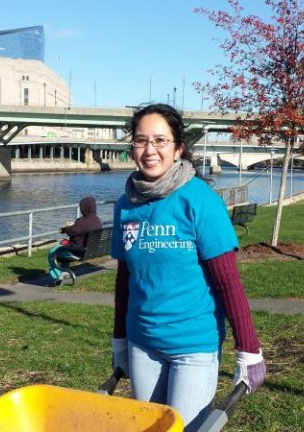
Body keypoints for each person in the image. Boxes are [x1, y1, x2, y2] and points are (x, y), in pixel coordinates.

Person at [110, 104, 266, 431]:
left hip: (193, 346)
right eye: (141, 141)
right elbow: (125, 279)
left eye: (160, 140)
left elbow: (228, 283)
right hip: (142, 343)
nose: (149, 150)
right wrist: (120, 340)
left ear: (178, 148)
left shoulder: (200, 200)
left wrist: (248, 350)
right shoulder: (126, 204)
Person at [47, 196, 102, 283]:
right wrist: (73, 225)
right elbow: (80, 229)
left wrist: (65, 228)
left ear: (84, 208)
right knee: (64, 248)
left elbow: (72, 231)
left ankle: (57, 276)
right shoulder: (97, 220)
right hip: (92, 250)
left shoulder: (82, 222)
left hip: (79, 251)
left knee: (53, 251)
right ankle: (63, 272)